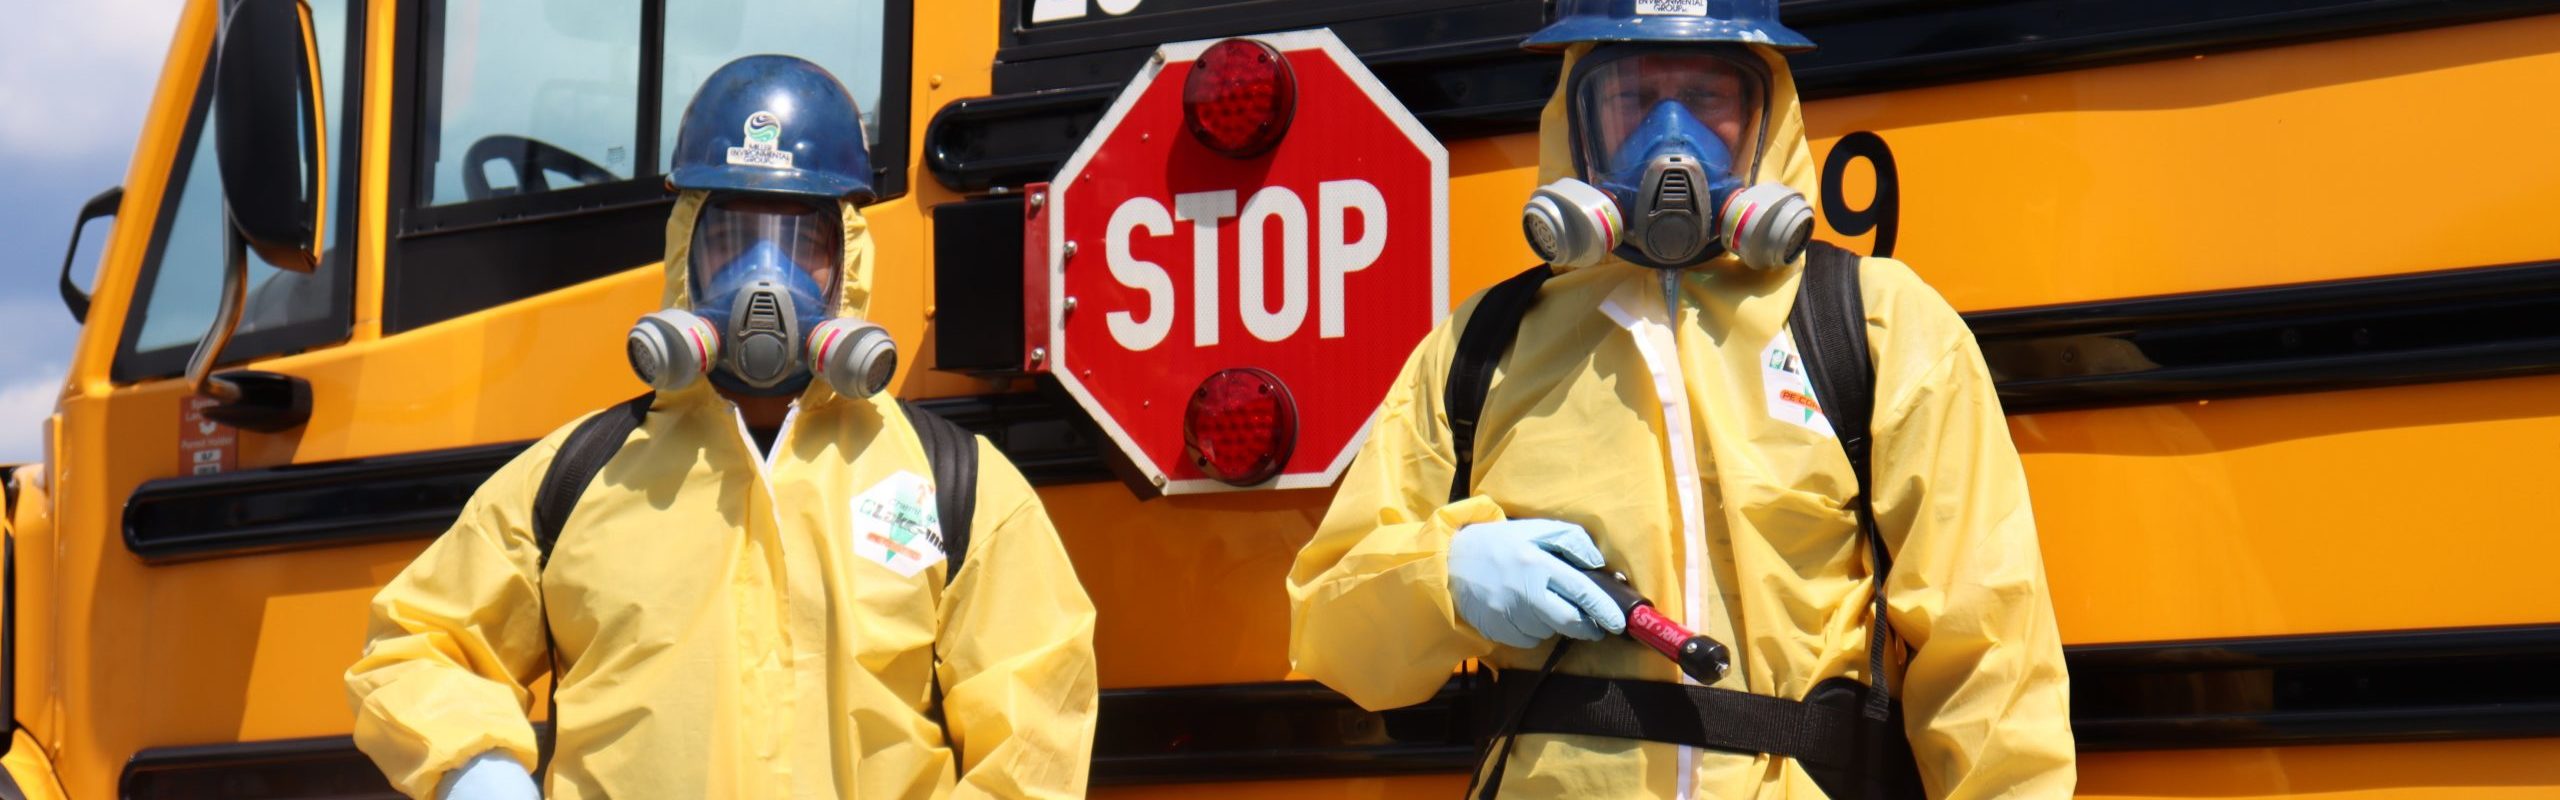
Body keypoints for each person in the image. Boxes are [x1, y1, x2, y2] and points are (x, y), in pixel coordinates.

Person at [1284, 2, 2076, 797]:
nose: (1670, 138)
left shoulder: (1870, 323)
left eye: (1707, 99)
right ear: (1578, 122)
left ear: (1764, 117)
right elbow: (1337, 640)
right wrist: (1445, 580)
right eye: (1630, 98)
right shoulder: (1485, 346)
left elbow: (1988, 650)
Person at [346, 55, 1098, 799]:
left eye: (803, 244)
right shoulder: (576, 480)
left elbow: (1033, 738)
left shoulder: (955, 489)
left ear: (848, 262)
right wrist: (480, 775)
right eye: (732, 241)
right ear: (686, 255)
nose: (765, 281)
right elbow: (417, 645)